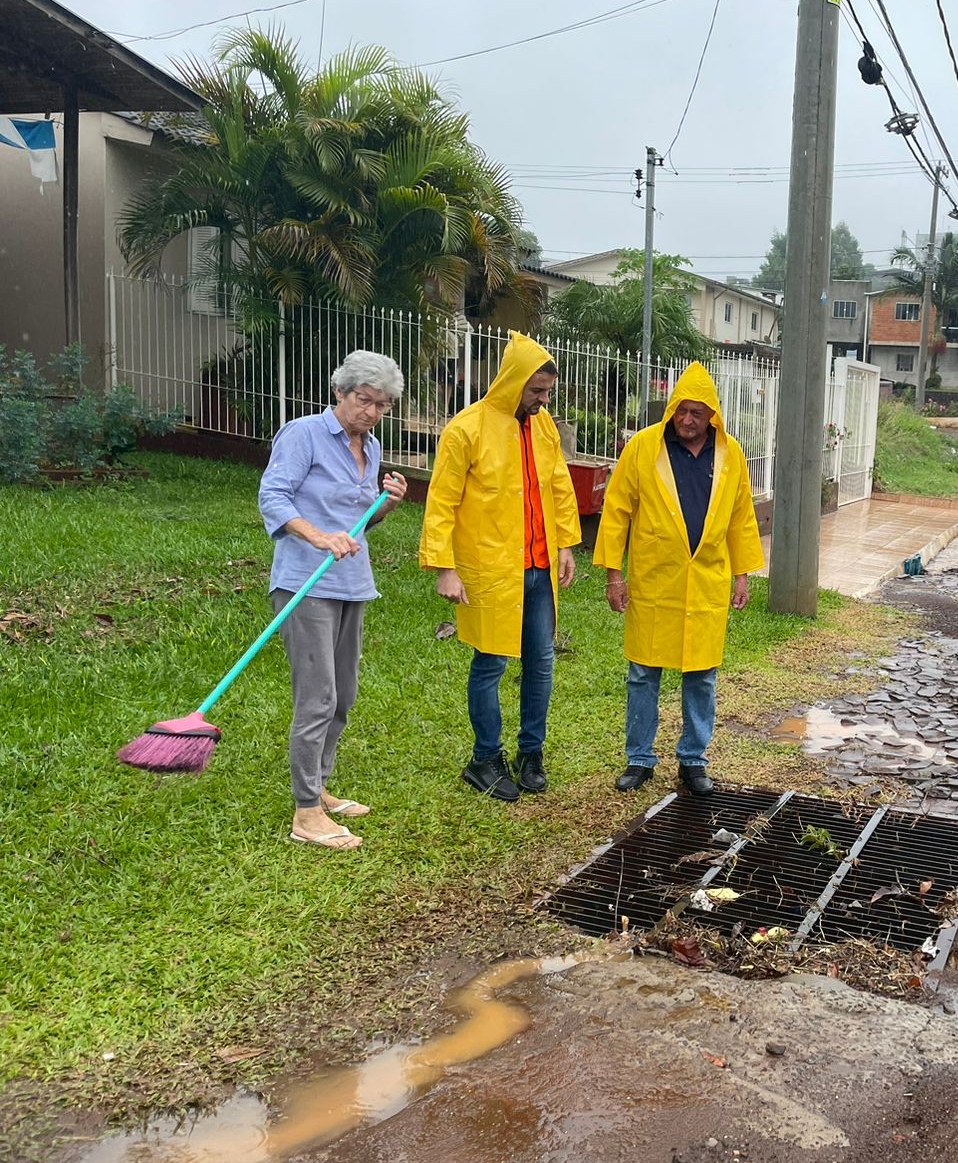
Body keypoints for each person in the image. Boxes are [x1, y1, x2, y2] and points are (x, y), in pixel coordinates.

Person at [420, 332, 580, 802]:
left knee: (541, 662)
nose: (542, 400)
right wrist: (444, 567)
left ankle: (531, 753)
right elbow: (441, 500)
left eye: (547, 392)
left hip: (538, 566)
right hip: (489, 568)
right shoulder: (466, 428)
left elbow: (558, 483)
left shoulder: (543, 425)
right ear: (512, 383)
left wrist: (566, 543)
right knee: (490, 662)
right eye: (536, 392)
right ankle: (485, 758)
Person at [259, 350, 409, 851]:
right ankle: (305, 813)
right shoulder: (302, 434)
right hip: (305, 582)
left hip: (351, 583)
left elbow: (360, 522)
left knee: (343, 694)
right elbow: (274, 497)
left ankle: (320, 787)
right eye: (363, 400)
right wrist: (320, 537)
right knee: (317, 696)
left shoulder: (371, 445)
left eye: (381, 405)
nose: (370, 412)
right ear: (340, 393)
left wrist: (384, 503)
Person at [595, 362, 764, 796]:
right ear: (672, 409)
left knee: (702, 675)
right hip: (654, 580)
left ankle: (693, 759)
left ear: (713, 416)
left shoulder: (731, 455)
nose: (687, 420)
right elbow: (616, 512)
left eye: (697, 413)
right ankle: (639, 759)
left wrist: (742, 574)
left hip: (706, 580)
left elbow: (741, 518)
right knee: (643, 673)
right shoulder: (644, 448)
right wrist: (615, 575)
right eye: (681, 411)